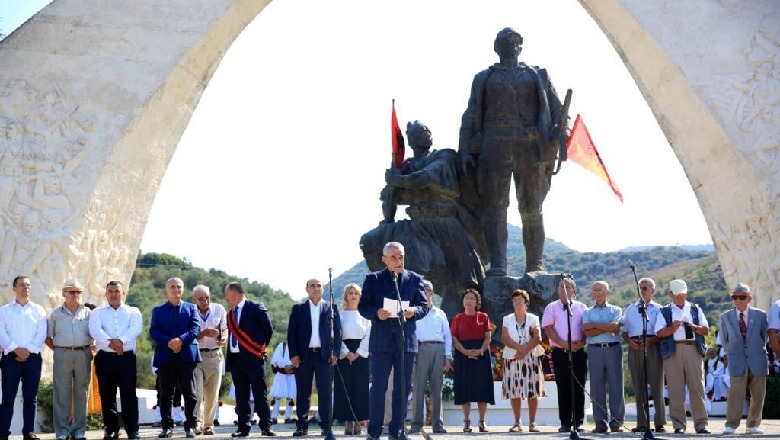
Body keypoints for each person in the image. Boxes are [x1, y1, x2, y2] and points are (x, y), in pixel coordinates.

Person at [458, 27, 565, 275]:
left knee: (532, 206)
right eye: (505, 42)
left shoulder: (537, 75)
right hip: (493, 145)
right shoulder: (484, 78)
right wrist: (465, 150)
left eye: (515, 41)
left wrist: (560, 130)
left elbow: (558, 111)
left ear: (521, 45)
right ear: (496, 47)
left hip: (530, 144)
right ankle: (498, 265)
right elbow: (471, 115)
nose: (511, 45)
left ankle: (535, 264)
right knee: (495, 207)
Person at [362, 120, 485, 318]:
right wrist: (392, 192)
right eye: (419, 132)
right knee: (370, 241)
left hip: (445, 223)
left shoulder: (444, 156)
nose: (425, 134)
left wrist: (398, 179)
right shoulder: (407, 166)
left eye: (426, 130)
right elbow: (389, 197)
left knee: (462, 280)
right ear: (410, 141)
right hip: (417, 225)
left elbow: (425, 178)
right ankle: (390, 301)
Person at [358, 241, 428, 440]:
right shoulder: (373, 279)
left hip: (406, 342)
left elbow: (424, 306)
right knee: (379, 387)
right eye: (394, 257)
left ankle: (398, 431)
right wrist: (376, 313)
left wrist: (413, 311)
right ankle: (374, 431)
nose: (399, 261)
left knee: (402, 389)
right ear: (384, 259)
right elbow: (363, 307)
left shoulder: (414, 279)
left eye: (401, 257)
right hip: (381, 342)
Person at [287, 278, 342, 440]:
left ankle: (326, 427)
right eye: (312, 286)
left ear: (323, 289)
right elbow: (292, 334)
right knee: (303, 392)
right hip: (303, 356)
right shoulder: (298, 309)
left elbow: (338, 332)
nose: (316, 288)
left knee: (325, 393)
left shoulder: (331, 308)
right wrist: (293, 355)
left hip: (324, 356)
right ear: (307, 289)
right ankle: (302, 426)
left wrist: (335, 353)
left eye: (319, 286)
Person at [88, 281, 143, 440]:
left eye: (117, 291)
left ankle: (132, 430)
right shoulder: (97, 312)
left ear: (123, 293)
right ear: (106, 294)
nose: (113, 294)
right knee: (107, 395)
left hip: (126, 358)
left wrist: (121, 341)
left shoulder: (133, 311)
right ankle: (111, 429)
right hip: (105, 358)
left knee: (129, 395)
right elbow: (95, 330)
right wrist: (112, 343)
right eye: (110, 291)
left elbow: (136, 328)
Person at [654, 279, 710, 434]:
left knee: (697, 387)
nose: (680, 297)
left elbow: (705, 330)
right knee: (675, 389)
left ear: (687, 293)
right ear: (671, 294)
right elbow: (658, 333)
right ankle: (678, 425)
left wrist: (695, 328)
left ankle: (701, 424)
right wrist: (673, 328)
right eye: (677, 294)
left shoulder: (695, 309)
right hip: (673, 350)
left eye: (683, 294)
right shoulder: (664, 311)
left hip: (693, 349)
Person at [149, 278, 202, 439]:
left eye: (179, 287)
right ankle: (166, 427)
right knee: (165, 393)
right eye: (172, 287)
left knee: (190, 392)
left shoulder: (191, 308)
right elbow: (154, 330)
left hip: (187, 355)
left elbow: (195, 328)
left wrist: (180, 340)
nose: (176, 289)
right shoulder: (157, 310)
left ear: (183, 289)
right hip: (166, 355)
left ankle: (191, 426)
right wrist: (169, 342)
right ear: (167, 290)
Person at [224, 281, 275, 437]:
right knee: (241, 395)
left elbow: (268, 330)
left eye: (227, 296)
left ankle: (265, 426)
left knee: (260, 393)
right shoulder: (230, 314)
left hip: (254, 357)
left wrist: (258, 348)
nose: (226, 299)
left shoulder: (255, 307)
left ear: (235, 294)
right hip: (236, 359)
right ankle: (243, 427)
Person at [45, 279, 93, 440]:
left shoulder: (88, 313)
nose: (75, 295)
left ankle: (79, 431)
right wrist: (60, 350)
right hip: (62, 354)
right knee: (61, 392)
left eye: (78, 292)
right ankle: (63, 432)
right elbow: (48, 337)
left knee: (82, 392)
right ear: (63, 294)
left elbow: (95, 335)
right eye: (71, 292)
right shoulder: (56, 314)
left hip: (83, 354)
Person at [0, 276, 47, 440]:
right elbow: (1, 333)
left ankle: (28, 432)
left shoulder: (39, 310)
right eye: (21, 285)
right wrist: (15, 350)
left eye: (28, 285)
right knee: (8, 397)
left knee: (31, 397)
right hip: (10, 359)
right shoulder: (4, 310)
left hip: (32, 359)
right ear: (14, 288)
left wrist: (28, 351)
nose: (25, 287)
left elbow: (41, 334)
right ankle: (3, 432)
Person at [719, 283, 768, 435]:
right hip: (736, 360)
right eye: (735, 297)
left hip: (757, 358)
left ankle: (753, 424)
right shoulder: (725, 317)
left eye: (742, 297)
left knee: (758, 394)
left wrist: (755, 350)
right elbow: (724, 340)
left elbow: (764, 336)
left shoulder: (761, 315)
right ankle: (731, 425)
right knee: (735, 394)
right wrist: (733, 354)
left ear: (749, 298)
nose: (738, 300)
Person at [541, 276, 587, 433]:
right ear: (557, 290)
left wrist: (581, 343)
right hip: (560, 352)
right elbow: (548, 328)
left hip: (578, 352)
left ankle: (579, 421)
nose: (564, 289)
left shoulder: (582, 307)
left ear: (573, 290)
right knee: (563, 387)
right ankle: (565, 422)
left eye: (568, 287)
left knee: (579, 386)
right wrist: (563, 344)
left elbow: (587, 328)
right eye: (561, 287)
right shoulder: (551, 307)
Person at [620, 277, 666, 433]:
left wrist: (652, 340)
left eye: (646, 287)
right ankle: (642, 423)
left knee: (657, 385)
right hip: (635, 347)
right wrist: (629, 342)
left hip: (653, 346)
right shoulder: (630, 309)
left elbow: (663, 331)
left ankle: (659, 423)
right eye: (640, 287)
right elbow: (624, 330)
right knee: (638, 386)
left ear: (653, 291)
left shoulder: (659, 309)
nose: (643, 290)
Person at [409, 280, 452, 435]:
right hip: (420, 349)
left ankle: (437, 424)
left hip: (438, 348)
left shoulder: (440, 313)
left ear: (431, 293)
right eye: (422, 290)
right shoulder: (413, 312)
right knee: (418, 389)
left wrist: (448, 357)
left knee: (436, 389)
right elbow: (411, 334)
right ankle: (416, 425)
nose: (424, 293)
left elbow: (447, 335)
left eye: (427, 290)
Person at [582, 281, 625, 433]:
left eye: (601, 289)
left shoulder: (616, 309)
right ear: (592, 293)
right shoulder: (587, 312)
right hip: (594, 350)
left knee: (616, 386)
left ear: (608, 292)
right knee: (596, 387)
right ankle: (600, 423)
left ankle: (616, 423)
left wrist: (594, 325)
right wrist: (606, 327)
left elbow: (615, 328)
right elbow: (587, 332)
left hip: (613, 349)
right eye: (594, 290)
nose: (598, 292)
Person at [500, 289, 545, 433]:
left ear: (526, 302)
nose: (517, 302)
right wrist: (519, 349)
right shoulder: (507, 319)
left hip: (531, 357)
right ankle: (517, 422)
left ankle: (532, 423)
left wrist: (524, 351)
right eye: (515, 300)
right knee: (514, 390)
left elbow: (538, 337)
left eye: (520, 300)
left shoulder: (533, 318)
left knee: (532, 390)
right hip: (512, 357)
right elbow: (505, 338)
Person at [450, 288, 494, 433]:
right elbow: (454, 338)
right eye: (466, 298)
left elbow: (488, 336)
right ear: (463, 301)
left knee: (482, 389)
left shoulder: (484, 317)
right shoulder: (457, 318)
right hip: (463, 356)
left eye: (472, 298)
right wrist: (465, 351)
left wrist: (481, 350)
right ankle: (466, 422)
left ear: (477, 302)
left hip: (481, 355)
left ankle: (482, 422)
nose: (468, 300)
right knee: (465, 389)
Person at [333, 283, 371, 436]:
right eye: (350, 293)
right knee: (345, 388)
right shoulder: (339, 315)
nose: (354, 296)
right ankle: (348, 422)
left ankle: (358, 421)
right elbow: (336, 334)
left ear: (360, 296)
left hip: (361, 355)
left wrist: (358, 352)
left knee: (360, 389)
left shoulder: (366, 316)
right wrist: (345, 352)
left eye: (356, 293)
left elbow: (369, 334)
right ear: (345, 297)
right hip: (344, 354)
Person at [192, 285, 228, 436]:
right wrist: (203, 333)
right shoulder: (190, 311)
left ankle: (208, 424)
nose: (205, 301)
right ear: (195, 300)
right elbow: (188, 334)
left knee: (212, 394)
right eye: (201, 299)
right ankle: (197, 423)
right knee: (198, 393)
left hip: (214, 355)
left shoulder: (219, 308)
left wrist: (224, 337)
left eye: (207, 298)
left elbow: (225, 328)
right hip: (196, 355)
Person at [268, 341, 296, 425]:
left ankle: (288, 417)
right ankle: (274, 417)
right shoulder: (282, 345)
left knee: (290, 397)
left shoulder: (298, 344)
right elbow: (276, 359)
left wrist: (291, 367)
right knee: (277, 396)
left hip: (291, 374)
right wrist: (285, 366)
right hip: (281, 374)